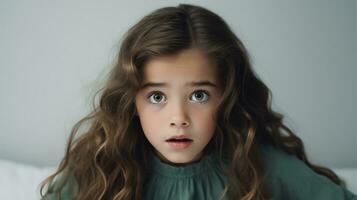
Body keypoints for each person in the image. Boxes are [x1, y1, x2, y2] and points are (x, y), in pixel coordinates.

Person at [39, 3, 357, 200]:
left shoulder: (258, 166)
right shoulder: (100, 167)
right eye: (157, 96)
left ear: (227, 97)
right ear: (130, 101)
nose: (179, 117)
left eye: (199, 95)